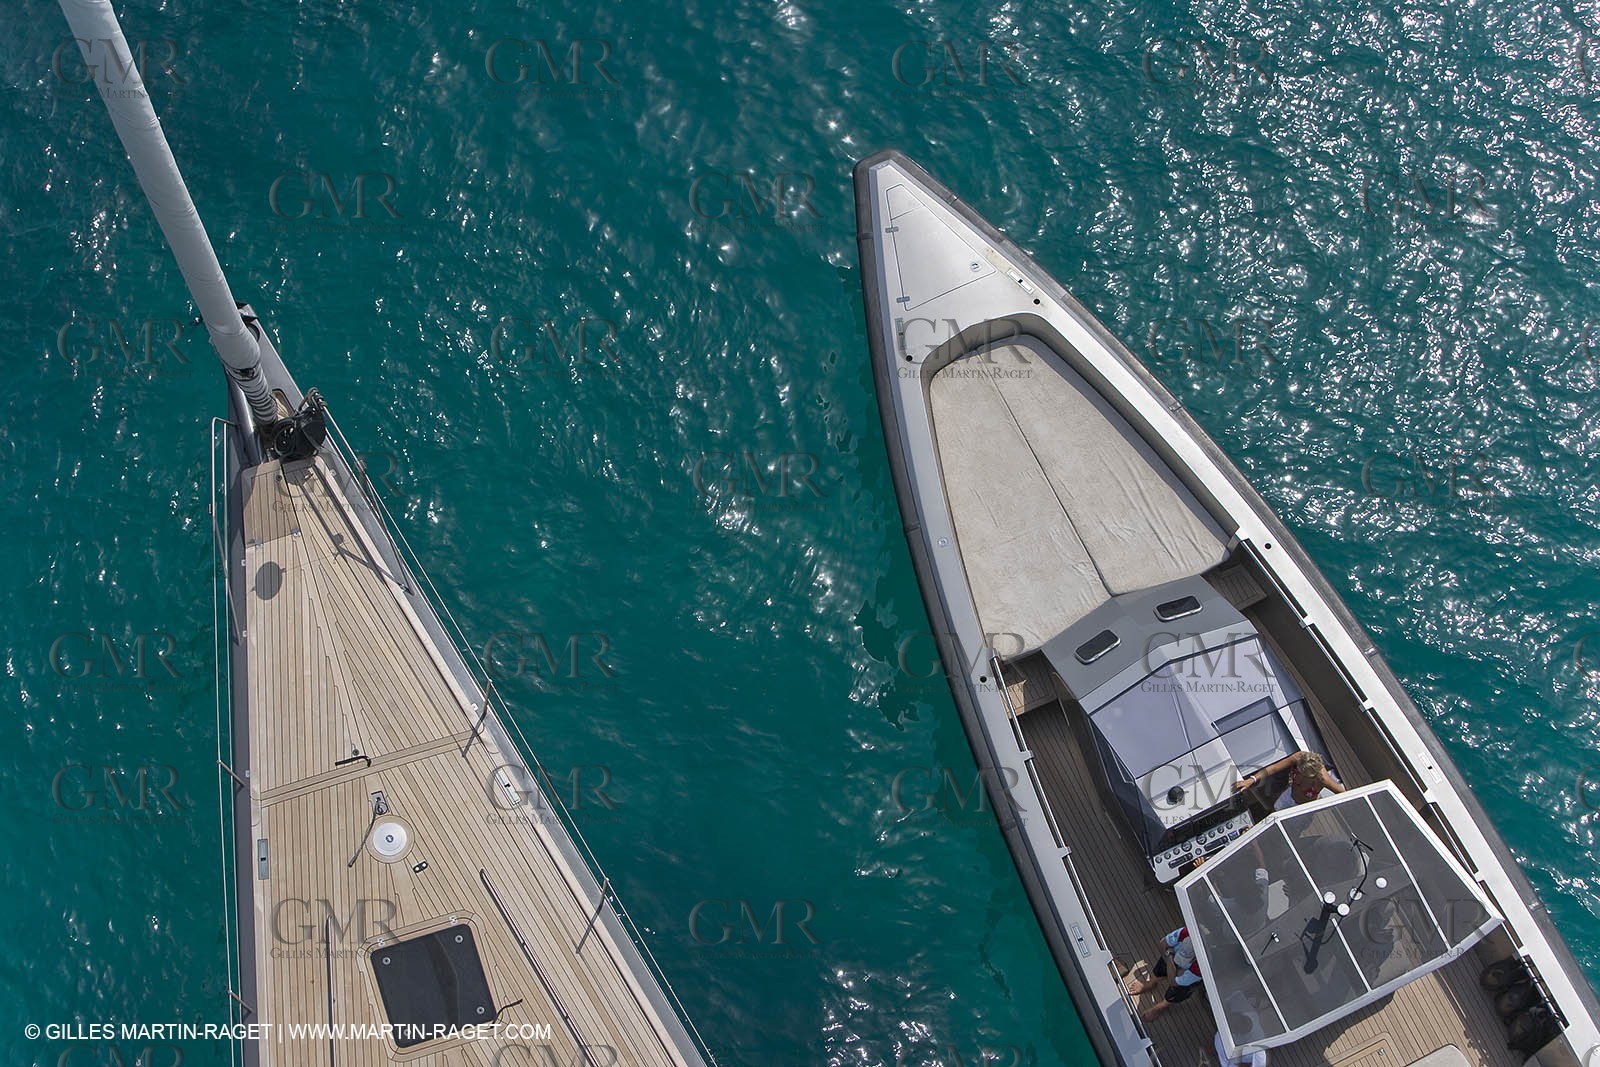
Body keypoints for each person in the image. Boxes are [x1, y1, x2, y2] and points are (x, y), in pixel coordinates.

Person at [1125, 925, 1204, 1024]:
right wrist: (1170, 960)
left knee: (1181, 990)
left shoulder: (1201, 967)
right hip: (1171, 957)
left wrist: (1170, 958)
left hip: (1185, 971)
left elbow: (1173, 983)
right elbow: (1162, 944)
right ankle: (1152, 982)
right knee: (1162, 965)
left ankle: (1161, 1007)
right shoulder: (1187, 932)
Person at [1234, 750, 1343, 809]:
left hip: (1302, 808)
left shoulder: (1323, 779)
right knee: (1276, 809)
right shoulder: (1299, 757)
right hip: (1289, 795)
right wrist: (1251, 780)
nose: (1300, 777)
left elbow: (1344, 794)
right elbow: (1274, 768)